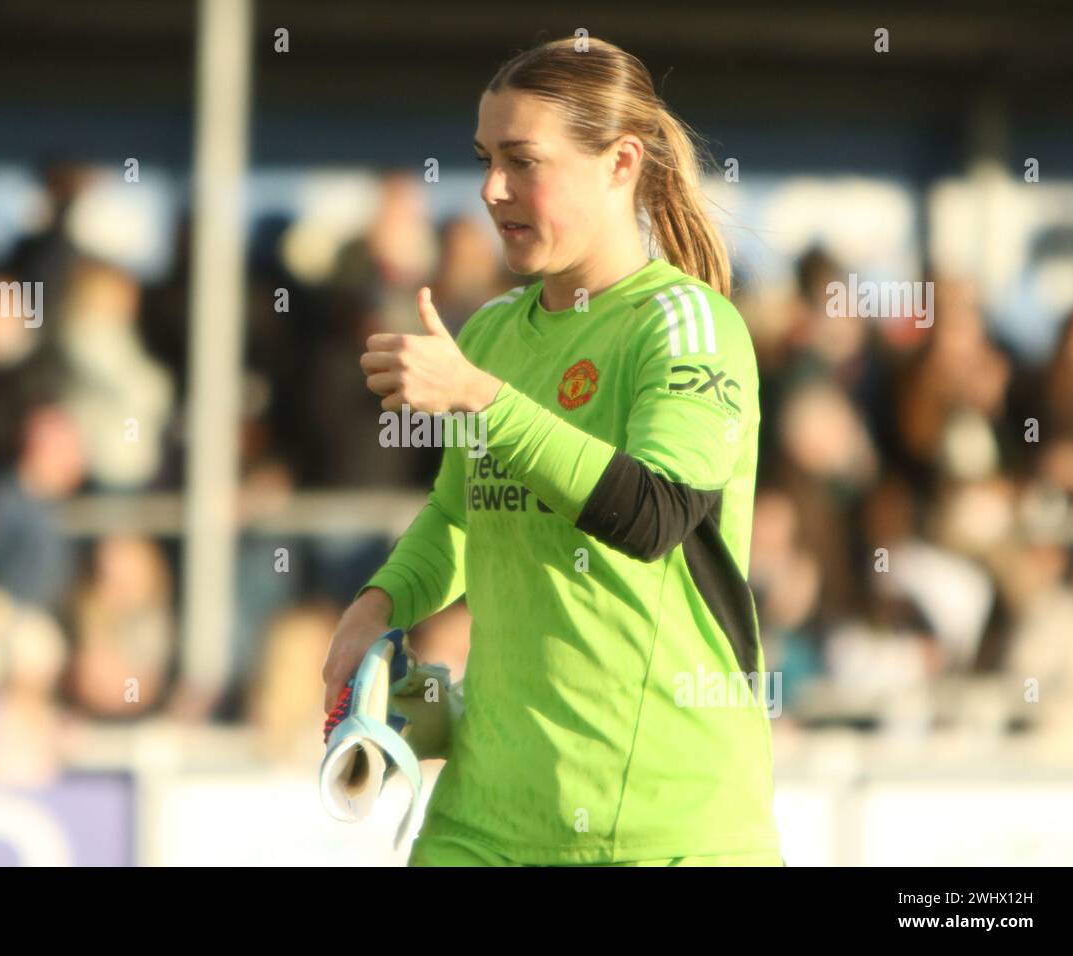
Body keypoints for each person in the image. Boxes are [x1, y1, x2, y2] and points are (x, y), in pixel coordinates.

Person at [322, 37, 784, 867]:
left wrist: (478, 397)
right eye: (484, 160)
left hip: (663, 829)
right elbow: (459, 514)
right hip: (484, 819)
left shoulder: (686, 325)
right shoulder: (495, 330)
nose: (492, 189)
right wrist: (379, 605)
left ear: (620, 164)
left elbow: (654, 514)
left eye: (522, 161)